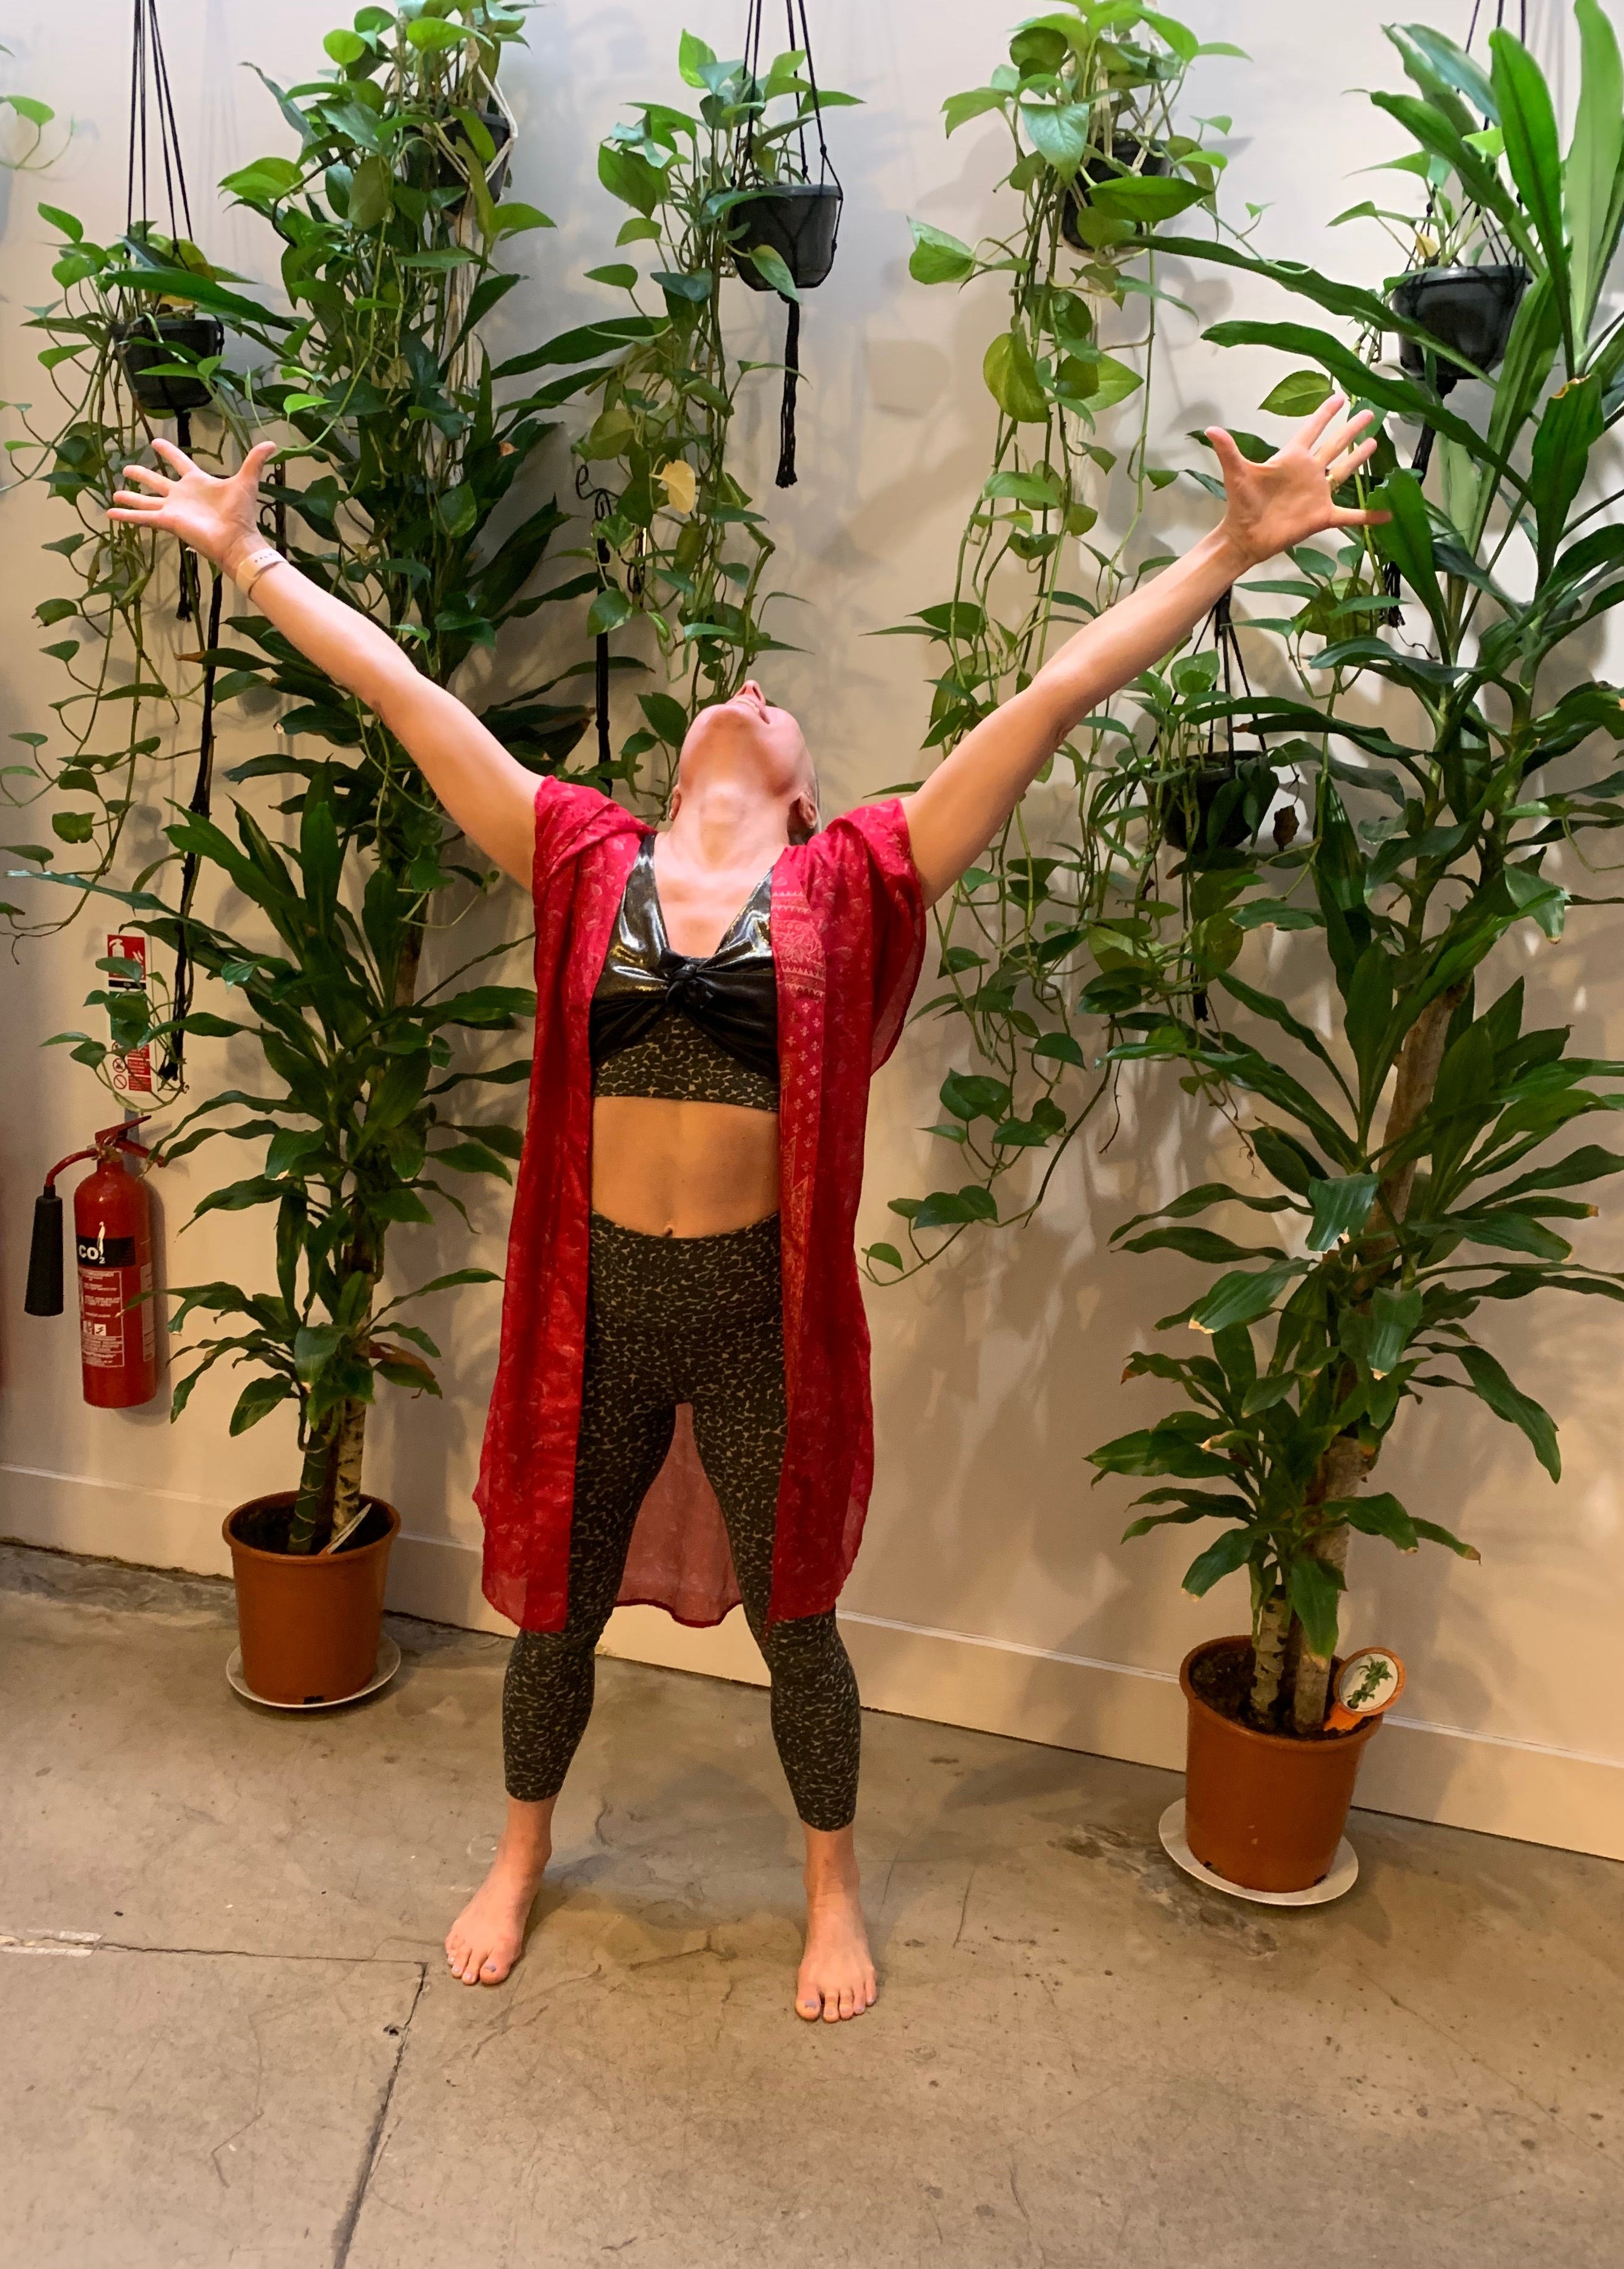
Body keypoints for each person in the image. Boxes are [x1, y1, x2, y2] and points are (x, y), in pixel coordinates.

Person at [111, 394, 1384, 2021]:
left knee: (801, 1627)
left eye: (779, 703)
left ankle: (830, 1891)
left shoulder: (855, 875)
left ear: (799, 793)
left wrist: (1228, 549)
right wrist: (253, 557)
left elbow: (1057, 691)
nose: (751, 687)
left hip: (758, 1312)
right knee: (554, 1618)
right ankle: (518, 1849)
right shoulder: (580, 855)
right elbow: (409, 696)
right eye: (731, 690)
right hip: (604, 1303)